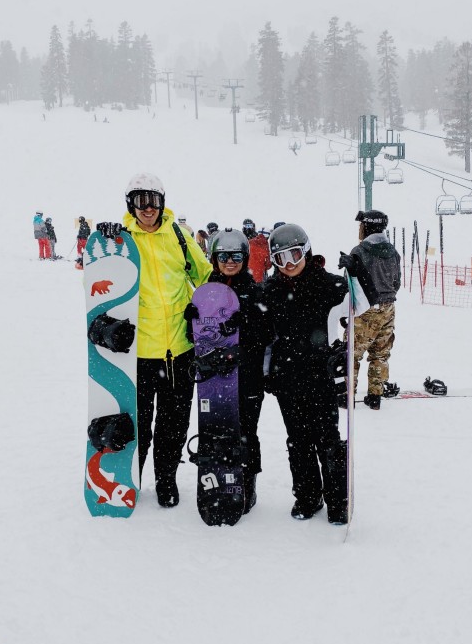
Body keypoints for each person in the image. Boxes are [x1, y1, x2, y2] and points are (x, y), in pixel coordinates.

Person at [97, 173, 211, 507]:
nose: (147, 209)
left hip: (179, 351)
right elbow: (101, 278)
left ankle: (166, 480)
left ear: (162, 202)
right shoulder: (121, 240)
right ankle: (131, 479)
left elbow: (203, 275)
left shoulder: (178, 236)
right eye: (140, 201)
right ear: (130, 205)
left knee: (173, 425)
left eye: (153, 201)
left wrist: (202, 307)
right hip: (138, 353)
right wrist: (105, 243)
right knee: (139, 425)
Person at [263, 223, 348, 522]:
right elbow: (253, 324)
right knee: (297, 440)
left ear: (307, 251)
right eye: (280, 259)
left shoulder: (328, 284)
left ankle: (338, 500)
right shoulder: (270, 291)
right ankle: (308, 497)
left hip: (321, 376)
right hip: (287, 378)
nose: (289, 265)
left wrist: (358, 271)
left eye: (295, 255)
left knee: (328, 439)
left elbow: (362, 302)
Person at [203, 228, 272, 512]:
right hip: (216, 376)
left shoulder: (256, 291)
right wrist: (192, 316)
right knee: (218, 429)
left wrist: (246, 323)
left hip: (247, 376)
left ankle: (247, 480)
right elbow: (197, 337)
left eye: (235, 256)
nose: (229, 261)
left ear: (244, 257)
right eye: (223, 256)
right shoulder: (205, 292)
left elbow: (266, 334)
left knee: (246, 430)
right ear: (214, 258)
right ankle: (218, 478)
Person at [338, 210, 401, 410]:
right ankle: (375, 395)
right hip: (388, 308)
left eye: (361, 225)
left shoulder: (360, 251)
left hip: (365, 310)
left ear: (367, 227)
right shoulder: (393, 252)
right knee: (380, 354)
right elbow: (397, 282)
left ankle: (348, 396)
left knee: (351, 354)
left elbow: (353, 285)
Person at [242, 218, 272, 283]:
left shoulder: (249, 242)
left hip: (247, 273)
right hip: (259, 276)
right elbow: (268, 265)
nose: (248, 228)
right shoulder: (266, 247)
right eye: (246, 226)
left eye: (250, 225)